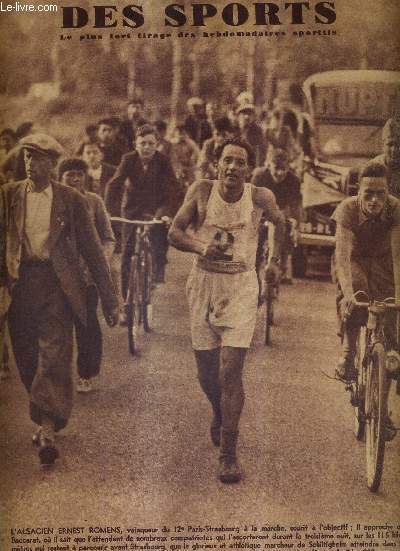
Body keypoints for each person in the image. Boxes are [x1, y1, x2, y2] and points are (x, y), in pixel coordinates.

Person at [168, 137, 285, 483]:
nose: (233, 167)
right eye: (227, 161)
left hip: (241, 287)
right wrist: (202, 247)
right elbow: (174, 232)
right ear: (216, 165)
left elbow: (282, 223)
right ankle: (219, 412)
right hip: (204, 284)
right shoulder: (202, 191)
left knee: (230, 370)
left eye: (240, 162)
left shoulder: (260, 197)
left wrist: (274, 262)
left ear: (249, 170)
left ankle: (228, 456)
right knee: (207, 374)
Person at [1, 133, 119, 465]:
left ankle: (49, 428)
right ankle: (44, 416)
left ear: (52, 164)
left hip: (58, 285)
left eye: (37, 158)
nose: (30, 163)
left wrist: (110, 300)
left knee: (54, 354)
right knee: (25, 357)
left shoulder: (70, 199)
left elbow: (94, 252)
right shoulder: (8, 195)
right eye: (26, 157)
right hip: (20, 283)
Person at [332, 162, 400, 437]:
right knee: (357, 296)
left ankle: (382, 410)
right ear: (358, 192)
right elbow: (343, 256)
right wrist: (348, 295)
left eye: (380, 194)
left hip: (383, 263)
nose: (374, 200)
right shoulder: (347, 210)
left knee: (389, 325)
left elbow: (397, 257)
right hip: (354, 261)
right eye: (368, 193)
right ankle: (348, 352)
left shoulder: (396, 210)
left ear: (388, 193)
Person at [59, 158, 115, 393]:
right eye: (69, 175)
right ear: (59, 178)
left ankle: (86, 372)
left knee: (86, 323)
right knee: (58, 327)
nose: (74, 179)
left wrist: (100, 261)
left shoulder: (94, 202)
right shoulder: (55, 201)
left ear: (86, 177)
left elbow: (108, 238)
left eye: (79, 175)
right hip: (59, 275)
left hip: (87, 276)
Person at [105, 124, 178, 302]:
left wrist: (167, 213)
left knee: (158, 236)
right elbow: (114, 185)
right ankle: (126, 301)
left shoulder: (163, 160)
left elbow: (174, 189)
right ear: (135, 144)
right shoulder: (128, 159)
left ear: (157, 144)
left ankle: (155, 273)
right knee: (127, 253)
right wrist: (108, 211)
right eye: (142, 143)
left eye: (151, 143)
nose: (146, 147)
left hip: (157, 207)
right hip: (132, 209)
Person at [252, 148, 302, 283]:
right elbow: (250, 201)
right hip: (261, 212)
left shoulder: (294, 181)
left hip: (281, 213)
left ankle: (282, 263)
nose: (280, 173)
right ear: (268, 165)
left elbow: (296, 206)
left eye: (284, 169)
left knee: (289, 230)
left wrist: (296, 226)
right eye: (276, 168)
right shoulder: (259, 176)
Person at [236, 104, 266, 168]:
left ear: (253, 116)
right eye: (244, 113)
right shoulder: (233, 130)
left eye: (249, 113)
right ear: (238, 116)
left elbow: (260, 153)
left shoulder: (257, 131)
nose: (246, 117)